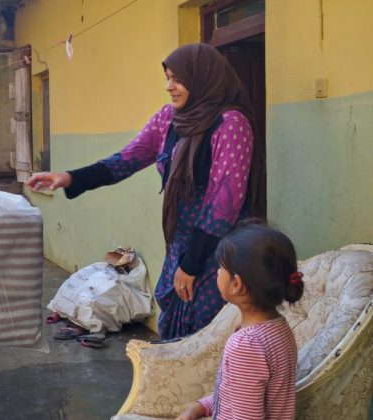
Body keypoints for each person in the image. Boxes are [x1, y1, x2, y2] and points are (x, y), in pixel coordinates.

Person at [26, 43, 260, 340]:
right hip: (181, 241)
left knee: (210, 328)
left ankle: (219, 386)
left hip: (220, 248)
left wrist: (190, 265)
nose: (169, 87)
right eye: (167, 77)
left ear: (202, 78)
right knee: (175, 322)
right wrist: (70, 177)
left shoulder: (231, 124)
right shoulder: (169, 118)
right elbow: (126, 160)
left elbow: (223, 204)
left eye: (177, 79)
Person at [177, 221, 304, 419]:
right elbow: (237, 397)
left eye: (221, 268)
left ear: (236, 284)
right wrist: (199, 408)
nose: (217, 273)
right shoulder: (279, 327)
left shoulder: (246, 346)